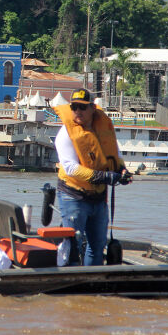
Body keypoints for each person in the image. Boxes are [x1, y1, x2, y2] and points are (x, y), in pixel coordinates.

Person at [53, 88, 131, 266]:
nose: (78, 111)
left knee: (97, 245)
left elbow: (115, 154)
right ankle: (71, 282)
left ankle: (93, 281)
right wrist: (105, 177)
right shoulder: (66, 134)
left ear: (92, 109)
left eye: (82, 107)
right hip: (73, 196)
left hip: (98, 197)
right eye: (74, 107)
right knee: (72, 245)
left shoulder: (102, 128)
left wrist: (122, 171)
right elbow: (71, 168)